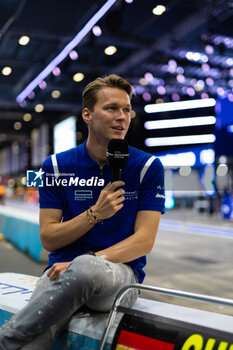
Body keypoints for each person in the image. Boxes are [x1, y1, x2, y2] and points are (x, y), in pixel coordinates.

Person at [0, 74, 165, 349]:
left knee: (86, 267)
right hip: (59, 272)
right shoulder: (54, 166)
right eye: (112, 108)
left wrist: (86, 262)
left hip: (120, 276)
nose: (122, 117)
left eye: (126, 109)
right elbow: (49, 238)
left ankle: (5, 339)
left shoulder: (148, 167)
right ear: (87, 114)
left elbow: (144, 241)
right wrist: (94, 214)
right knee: (35, 340)